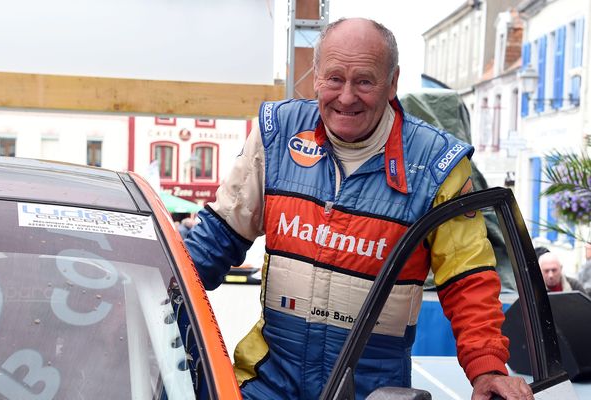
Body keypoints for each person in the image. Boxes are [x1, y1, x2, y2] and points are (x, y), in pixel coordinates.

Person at [186, 18, 532, 400]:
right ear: (316, 75)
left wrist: (487, 369)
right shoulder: (277, 132)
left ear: (393, 82)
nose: (346, 97)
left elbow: (468, 280)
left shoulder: (438, 163)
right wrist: (143, 303)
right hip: (268, 384)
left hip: (374, 392)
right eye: (334, 78)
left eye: (364, 81)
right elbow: (211, 243)